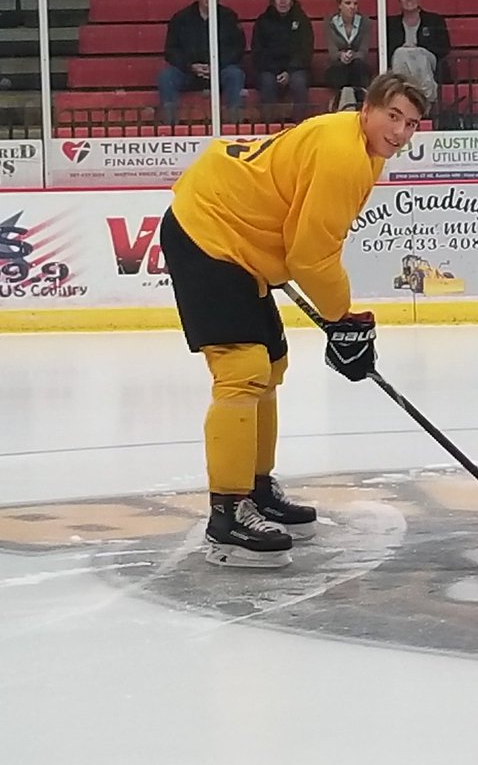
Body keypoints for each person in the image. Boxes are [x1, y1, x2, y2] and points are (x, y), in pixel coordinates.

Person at [159, 74, 428, 568]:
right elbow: (311, 257)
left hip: (237, 234)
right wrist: (344, 316)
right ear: (366, 108)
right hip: (208, 230)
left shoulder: (356, 143)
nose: (400, 132)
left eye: (411, 123)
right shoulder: (344, 155)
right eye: (393, 116)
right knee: (242, 369)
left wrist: (339, 316)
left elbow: (299, 231)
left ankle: (257, 489)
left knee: (273, 365)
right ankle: (228, 511)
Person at [157, 0, 246, 125]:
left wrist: (217, 65)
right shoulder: (181, 18)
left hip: (220, 71)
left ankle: (234, 124)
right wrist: (191, 66)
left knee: (235, 74)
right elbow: (171, 50)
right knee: (166, 76)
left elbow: (238, 48)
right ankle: (170, 125)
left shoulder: (229, 17)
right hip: (188, 72)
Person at [250, 0, 314, 122]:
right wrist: (275, 71)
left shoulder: (302, 21)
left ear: (292, 1)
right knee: (267, 82)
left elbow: (305, 50)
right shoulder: (263, 21)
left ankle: (299, 126)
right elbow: (258, 51)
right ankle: (269, 127)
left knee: (299, 82)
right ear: (273, 1)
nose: (283, 1)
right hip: (269, 69)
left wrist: (289, 71)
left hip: (295, 69)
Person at [385, 0, 451, 107]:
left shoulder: (434, 20)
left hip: (427, 60)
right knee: (400, 53)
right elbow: (387, 50)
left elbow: (444, 47)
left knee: (418, 54)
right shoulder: (391, 24)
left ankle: (426, 98)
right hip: (402, 60)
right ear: (399, 2)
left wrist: (418, 47)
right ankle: (403, 96)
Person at [325, 0, 374, 111]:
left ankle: (350, 105)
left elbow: (363, 51)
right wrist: (341, 56)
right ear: (339, 5)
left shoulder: (365, 22)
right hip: (337, 66)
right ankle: (351, 104)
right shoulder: (330, 22)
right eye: (348, 3)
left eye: (355, 3)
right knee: (340, 70)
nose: (352, 7)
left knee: (357, 67)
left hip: (358, 65)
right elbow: (332, 51)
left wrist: (353, 55)